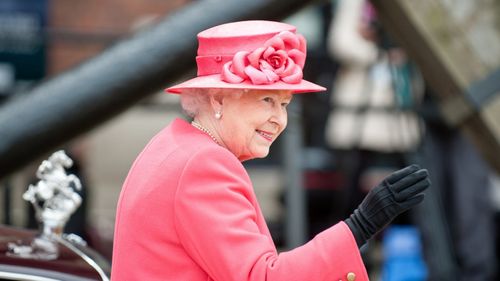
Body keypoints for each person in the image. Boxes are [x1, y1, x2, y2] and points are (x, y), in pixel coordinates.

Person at [111, 20, 430, 281]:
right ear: (219, 98)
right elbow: (262, 277)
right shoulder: (204, 164)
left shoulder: (176, 144)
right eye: (266, 100)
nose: (279, 119)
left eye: (285, 103)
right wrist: (360, 225)